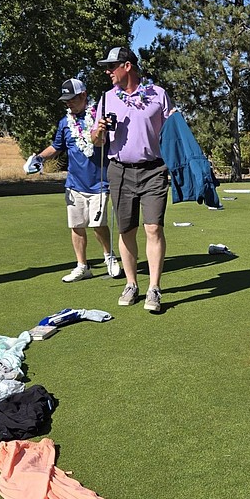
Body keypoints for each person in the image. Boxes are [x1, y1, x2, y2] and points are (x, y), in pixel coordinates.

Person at [92, 46, 174, 314]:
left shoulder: (158, 95)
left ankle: (154, 288)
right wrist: (99, 133)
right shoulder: (105, 99)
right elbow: (96, 140)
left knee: (153, 228)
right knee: (126, 230)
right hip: (120, 171)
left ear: (127, 66)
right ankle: (131, 284)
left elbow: (173, 133)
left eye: (111, 66)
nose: (107, 71)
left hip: (153, 170)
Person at [32, 77, 120, 283]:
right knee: (77, 225)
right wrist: (39, 158)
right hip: (74, 183)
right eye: (65, 100)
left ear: (83, 95)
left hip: (99, 182)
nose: (68, 103)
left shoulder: (99, 117)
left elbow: (103, 141)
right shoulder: (65, 123)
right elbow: (56, 146)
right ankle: (82, 266)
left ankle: (109, 257)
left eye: (71, 99)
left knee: (98, 224)